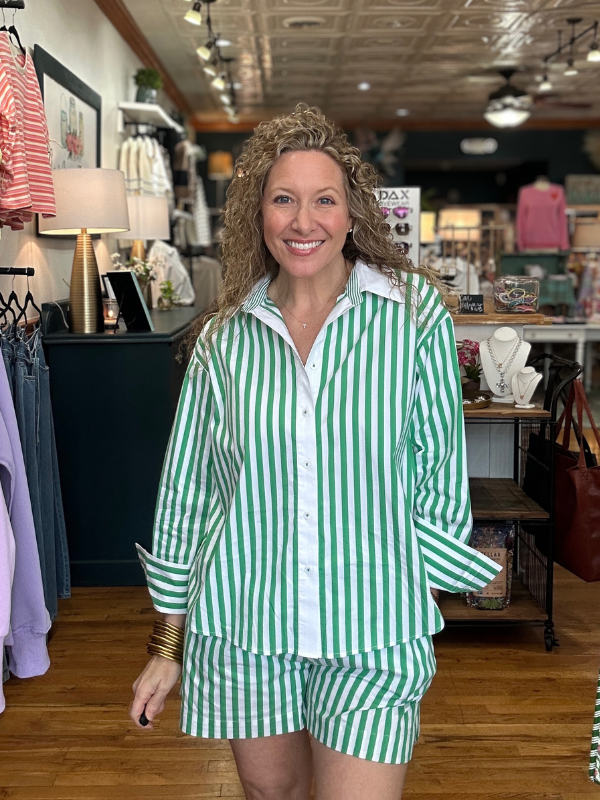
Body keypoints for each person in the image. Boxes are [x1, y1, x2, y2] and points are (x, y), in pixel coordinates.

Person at [130, 104, 500, 800]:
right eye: (284, 200)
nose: (304, 222)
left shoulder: (412, 315)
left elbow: (440, 478)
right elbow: (189, 495)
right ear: (258, 216)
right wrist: (167, 647)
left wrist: (408, 595)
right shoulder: (222, 340)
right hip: (246, 629)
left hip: (372, 633)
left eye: (324, 200)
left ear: (352, 213)